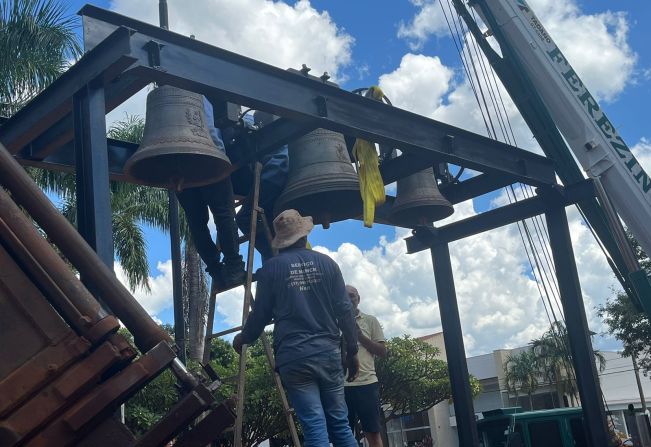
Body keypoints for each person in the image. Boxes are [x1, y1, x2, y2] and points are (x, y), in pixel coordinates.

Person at [233, 209, 360, 446]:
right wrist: (352, 352)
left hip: (294, 357)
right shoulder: (328, 264)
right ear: (304, 235)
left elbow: (260, 316)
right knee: (340, 425)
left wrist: (243, 338)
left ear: (281, 240)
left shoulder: (271, 269)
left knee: (314, 426)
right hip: (328, 354)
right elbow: (345, 312)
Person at [176, 98, 246, 289]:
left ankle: (216, 270)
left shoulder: (170, 98)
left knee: (196, 223)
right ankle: (234, 266)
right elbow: (210, 129)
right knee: (224, 214)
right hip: (210, 158)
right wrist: (220, 157)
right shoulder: (200, 98)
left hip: (179, 169)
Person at [234, 110, 289, 262]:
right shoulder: (275, 119)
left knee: (244, 218)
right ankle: (280, 256)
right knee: (271, 223)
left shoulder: (249, 118)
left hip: (273, 176)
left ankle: (274, 258)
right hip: (280, 178)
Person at [344, 285, 387, 447]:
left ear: (358, 299)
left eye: (352, 296)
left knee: (373, 432)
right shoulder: (332, 323)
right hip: (341, 386)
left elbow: (382, 351)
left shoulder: (370, 321)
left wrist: (359, 336)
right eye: (345, 296)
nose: (348, 299)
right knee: (342, 433)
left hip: (367, 384)